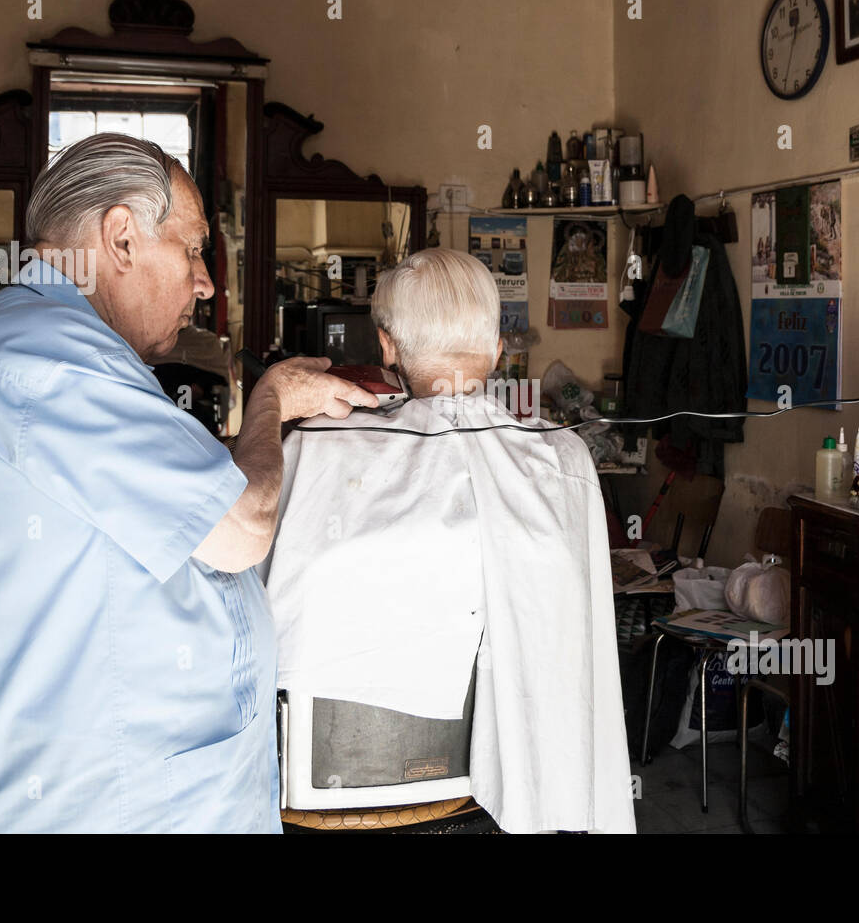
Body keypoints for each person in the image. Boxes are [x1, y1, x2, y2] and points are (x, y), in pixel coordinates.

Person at [0, 133, 378, 832]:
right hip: (92, 804)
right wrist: (272, 402)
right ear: (122, 238)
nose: (205, 282)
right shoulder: (41, 356)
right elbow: (240, 526)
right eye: (191, 249)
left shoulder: (69, 352)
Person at [258, 248, 636, 833]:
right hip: (520, 788)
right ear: (497, 349)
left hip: (331, 790)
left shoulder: (316, 449)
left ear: (386, 347)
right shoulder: (563, 460)